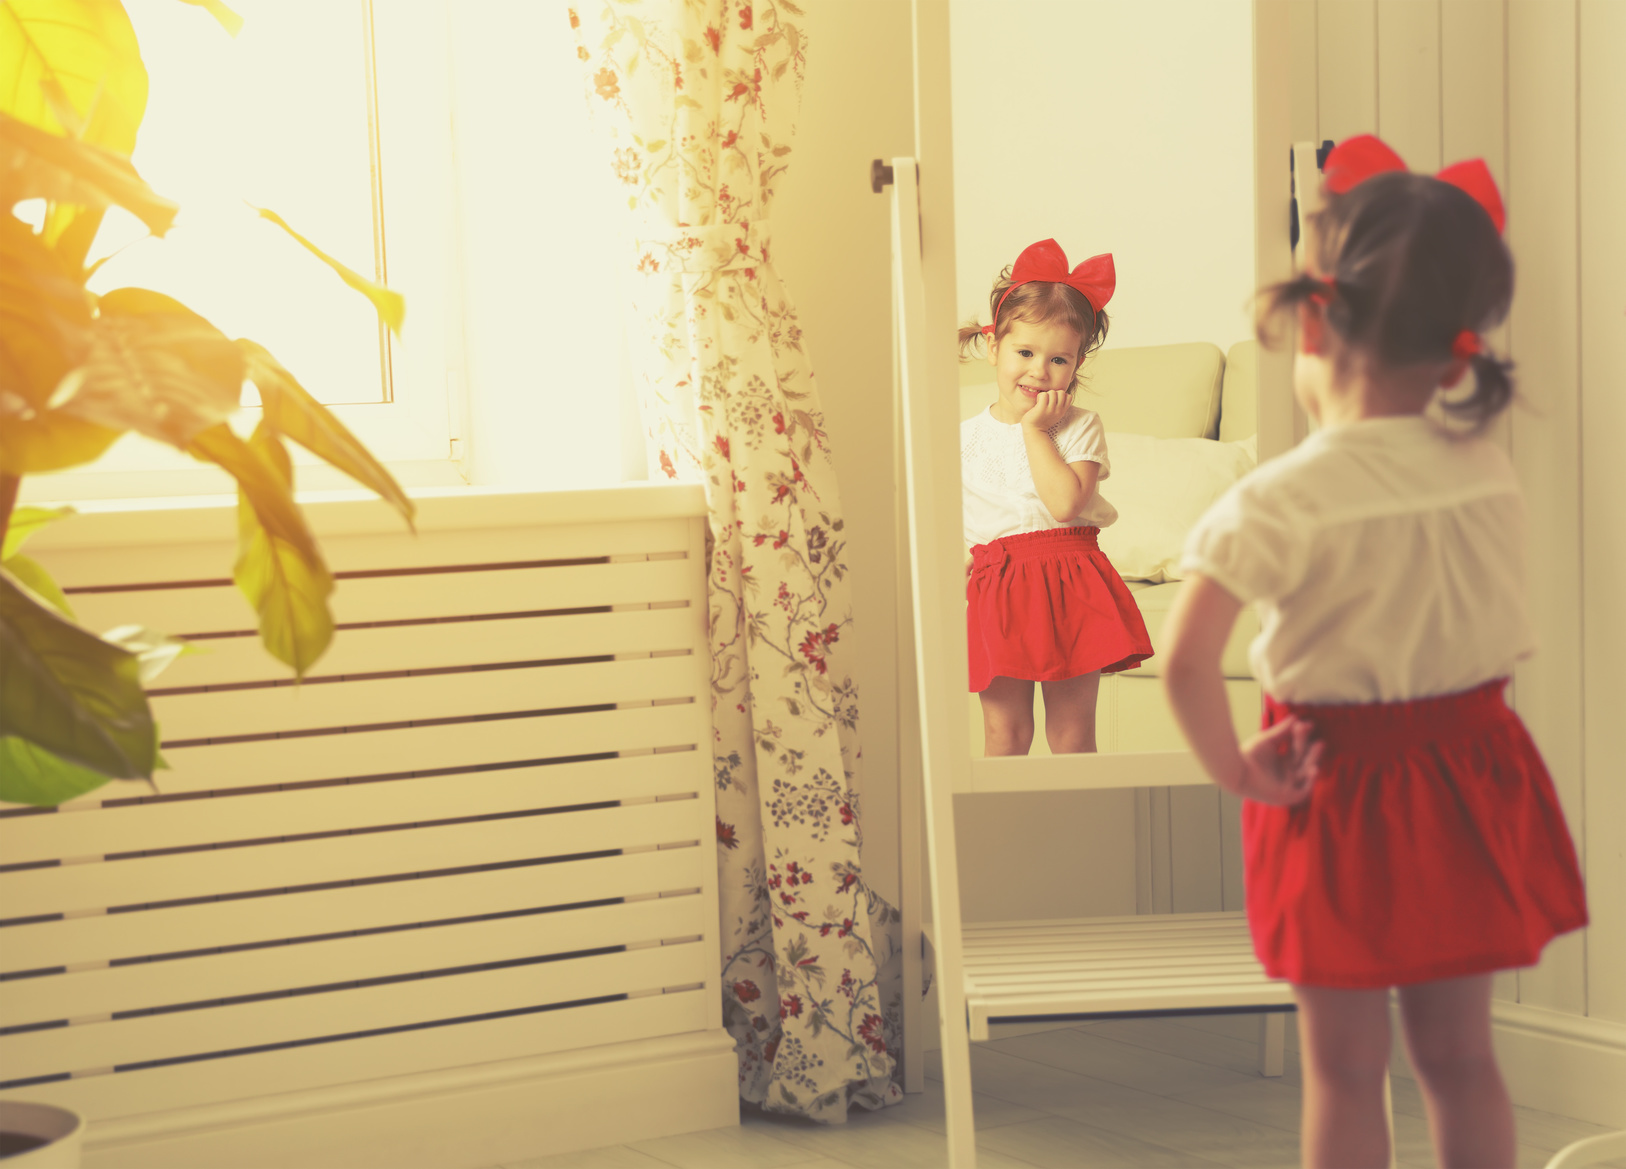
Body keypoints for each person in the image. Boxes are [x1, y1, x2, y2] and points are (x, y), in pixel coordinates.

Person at [1160, 135, 1589, 1169]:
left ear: (1314, 320)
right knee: (1459, 1055)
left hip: (1334, 785)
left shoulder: (1280, 498)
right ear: (1456, 355)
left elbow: (1183, 661)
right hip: (1470, 775)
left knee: (1345, 1067)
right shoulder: (1483, 469)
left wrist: (1238, 770)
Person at [958, 239, 1152, 756]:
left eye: (1058, 359)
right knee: (1005, 732)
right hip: (997, 586)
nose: (1039, 371)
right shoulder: (963, 438)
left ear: (1076, 364)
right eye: (1024, 352)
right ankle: (1008, 832)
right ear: (993, 347)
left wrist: (1036, 431)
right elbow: (963, 524)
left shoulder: (1080, 427)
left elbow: (1065, 503)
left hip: (1070, 579)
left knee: (1071, 734)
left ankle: (1083, 826)